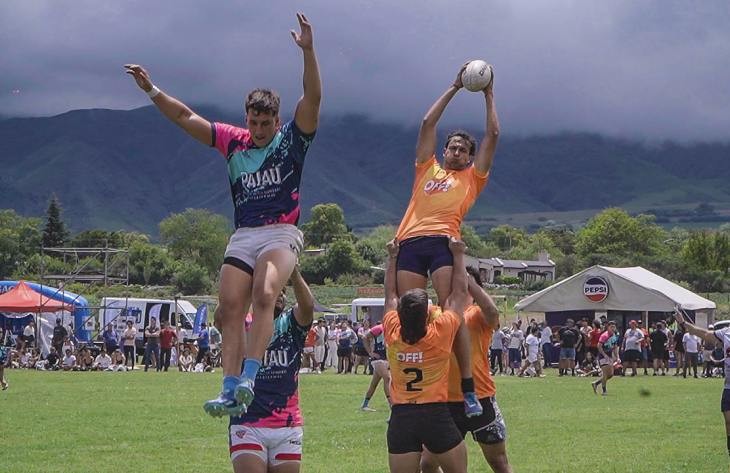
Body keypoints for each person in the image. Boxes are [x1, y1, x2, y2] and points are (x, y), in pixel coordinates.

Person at [125, 13, 321, 417]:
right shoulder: (234, 142)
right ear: (246, 118)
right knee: (228, 308)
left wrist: (308, 52)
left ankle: (250, 376)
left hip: (281, 233)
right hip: (245, 234)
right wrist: (151, 89)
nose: (260, 129)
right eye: (254, 121)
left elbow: (313, 98)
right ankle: (230, 386)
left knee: (266, 292)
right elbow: (185, 118)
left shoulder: (291, 140)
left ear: (277, 121)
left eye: (267, 122)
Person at [393, 64, 499, 419]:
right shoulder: (428, 168)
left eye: (461, 150)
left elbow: (493, 135)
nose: (454, 152)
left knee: (452, 313)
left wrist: (487, 94)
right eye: (451, 147)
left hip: (442, 243)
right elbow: (426, 124)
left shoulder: (472, 178)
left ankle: (468, 390)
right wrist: (454, 87)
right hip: (408, 241)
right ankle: (406, 389)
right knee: (404, 313)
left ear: (469, 158)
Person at [383, 238, 470, 473]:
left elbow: (390, 294)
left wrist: (392, 258)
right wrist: (458, 255)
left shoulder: (393, 333)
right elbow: (459, 294)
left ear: (400, 315)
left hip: (401, 416)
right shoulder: (439, 334)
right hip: (435, 415)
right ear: (427, 317)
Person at [421, 266, 512, 473]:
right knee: (427, 464)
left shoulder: (476, 313)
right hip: (444, 401)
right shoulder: (434, 312)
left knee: (499, 462)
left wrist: (468, 280)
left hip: (480, 397)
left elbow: (493, 313)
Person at [228, 266, 314, 473]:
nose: (280, 295)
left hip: (287, 425)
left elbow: (308, 306)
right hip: (247, 422)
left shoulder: (291, 325)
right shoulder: (244, 323)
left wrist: (293, 273)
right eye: (275, 291)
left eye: (283, 292)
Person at [673, 308, 730, 457]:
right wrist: (683, 323)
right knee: (728, 420)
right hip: (729, 386)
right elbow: (703, 333)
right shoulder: (726, 333)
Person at [361, 321, 391, 412]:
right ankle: (392, 404)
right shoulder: (378, 328)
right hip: (378, 358)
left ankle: (365, 404)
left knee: (374, 383)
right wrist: (370, 352)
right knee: (387, 378)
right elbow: (365, 337)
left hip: (386, 358)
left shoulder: (394, 328)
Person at [591, 321, 620, 396]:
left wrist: (617, 357)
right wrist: (604, 355)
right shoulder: (604, 335)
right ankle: (604, 391)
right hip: (603, 356)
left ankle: (596, 383)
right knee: (605, 374)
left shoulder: (614, 336)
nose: (613, 328)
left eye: (614, 327)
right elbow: (599, 346)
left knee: (610, 375)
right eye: (611, 327)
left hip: (609, 356)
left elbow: (615, 347)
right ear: (608, 327)